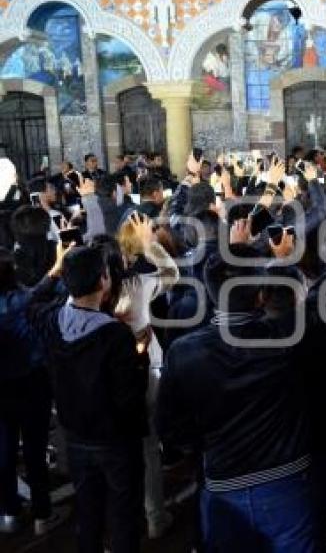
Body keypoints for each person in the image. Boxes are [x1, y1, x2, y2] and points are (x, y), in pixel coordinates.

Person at [157, 244, 317, 553]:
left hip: (221, 484)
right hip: (287, 481)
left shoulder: (183, 351)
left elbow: (170, 429)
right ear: (261, 295)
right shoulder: (288, 337)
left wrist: (208, 444)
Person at [31, 244, 149, 553]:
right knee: (124, 517)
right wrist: (141, 355)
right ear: (104, 280)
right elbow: (129, 397)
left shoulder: (50, 321)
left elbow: (32, 301)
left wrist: (54, 270)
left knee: (88, 514)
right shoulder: (116, 336)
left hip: (75, 437)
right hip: (116, 442)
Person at [114, 213, 179, 539]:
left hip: (107, 378)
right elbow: (171, 273)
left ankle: (123, 518)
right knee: (148, 446)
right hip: (147, 369)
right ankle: (154, 516)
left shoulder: (83, 295)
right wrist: (151, 247)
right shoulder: (136, 285)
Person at [0, 248, 66, 536]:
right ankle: (42, 514)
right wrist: (59, 266)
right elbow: (40, 292)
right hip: (32, 383)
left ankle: (9, 512)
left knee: (3, 453)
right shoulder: (19, 302)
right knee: (35, 450)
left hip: (1, 389)